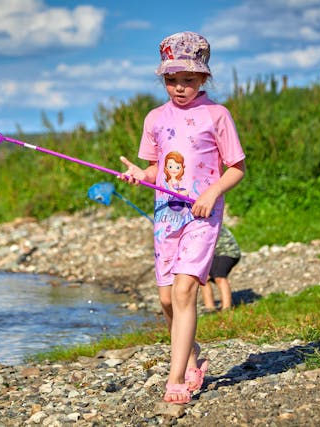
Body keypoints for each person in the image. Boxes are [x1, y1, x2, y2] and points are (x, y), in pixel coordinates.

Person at [119, 31, 246, 405]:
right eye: (171, 80)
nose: (179, 87)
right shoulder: (155, 118)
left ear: (203, 78)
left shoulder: (216, 115)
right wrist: (141, 175)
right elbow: (156, 169)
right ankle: (191, 353)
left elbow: (236, 168)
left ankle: (177, 378)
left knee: (186, 289)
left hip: (201, 216)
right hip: (166, 217)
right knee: (167, 300)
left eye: (188, 80)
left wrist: (211, 193)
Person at [201, 224, 241, 311]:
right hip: (213, 254)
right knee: (202, 277)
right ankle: (209, 307)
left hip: (228, 251)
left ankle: (227, 308)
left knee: (219, 276)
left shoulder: (205, 221)